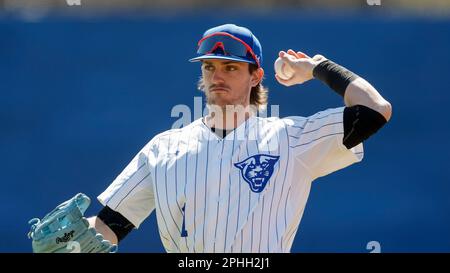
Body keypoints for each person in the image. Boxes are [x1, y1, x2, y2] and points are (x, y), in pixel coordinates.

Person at [28, 23, 392, 253]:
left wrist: (316, 68)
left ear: (255, 76)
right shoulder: (164, 148)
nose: (217, 75)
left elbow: (376, 109)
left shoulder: (292, 139)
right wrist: (71, 243)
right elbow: (112, 225)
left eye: (231, 67)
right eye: (210, 66)